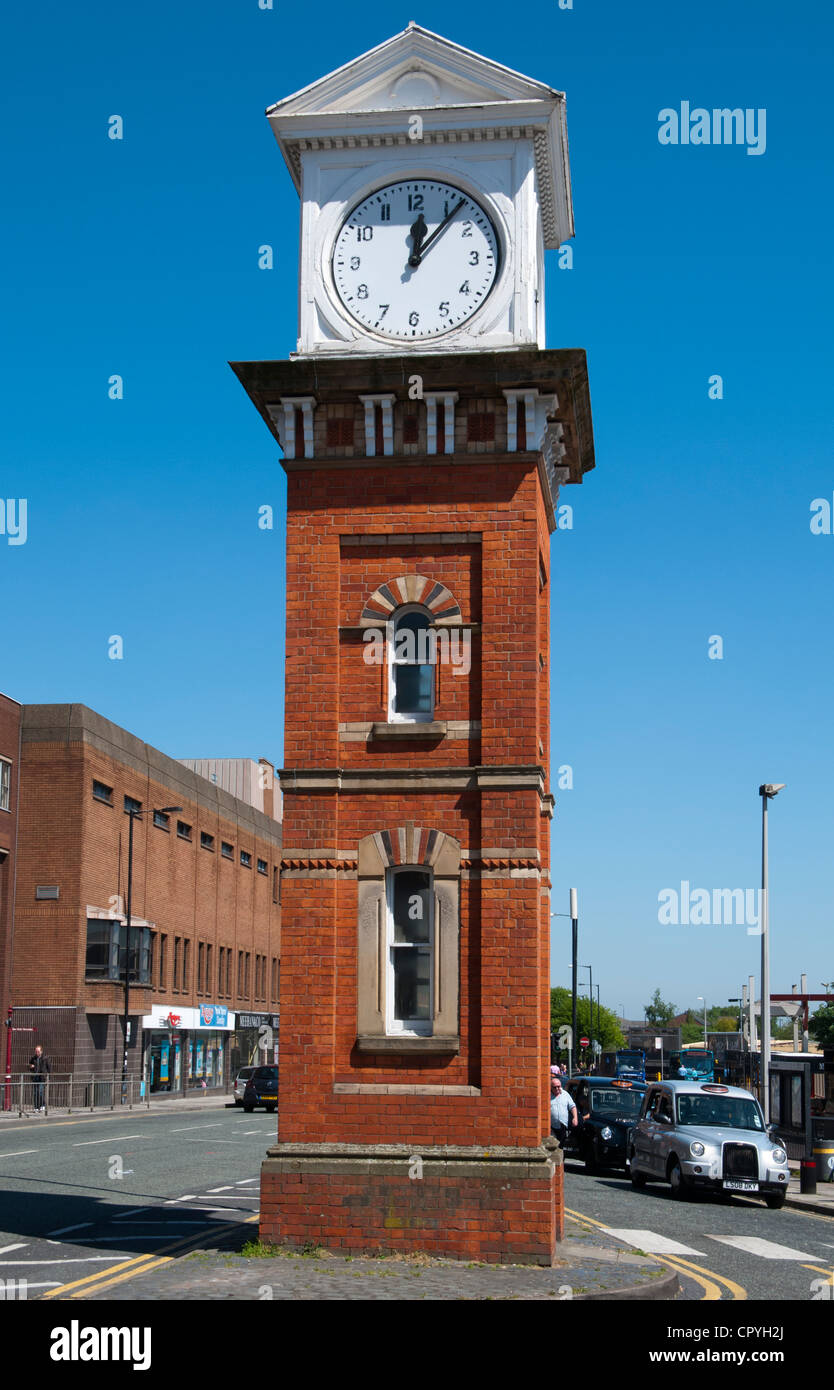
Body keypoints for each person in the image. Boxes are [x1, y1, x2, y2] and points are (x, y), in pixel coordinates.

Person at [550, 1069, 578, 1147]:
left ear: (561, 1086)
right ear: (551, 1087)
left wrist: (575, 1118)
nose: (557, 1089)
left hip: (563, 1126)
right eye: (554, 1087)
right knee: (554, 1146)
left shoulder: (565, 1094)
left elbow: (572, 1106)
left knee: (561, 1145)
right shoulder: (548, 1096)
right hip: (552, 1126)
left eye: (558, 1087)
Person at [29, 1044, 51, 1112]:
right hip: (35, 1077)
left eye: (38, 1051)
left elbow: (49, 1068)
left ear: (41, 1051)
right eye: (36, 1051)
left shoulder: (45, 1058)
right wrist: (31, 1067)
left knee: (40, 1092)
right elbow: (30, 1066)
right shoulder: (33, 1058)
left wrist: (48, 1077)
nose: (37, 1053)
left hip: (42, 1077)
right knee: (35, 1092)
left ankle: (42, 1105)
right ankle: (36, 1107)